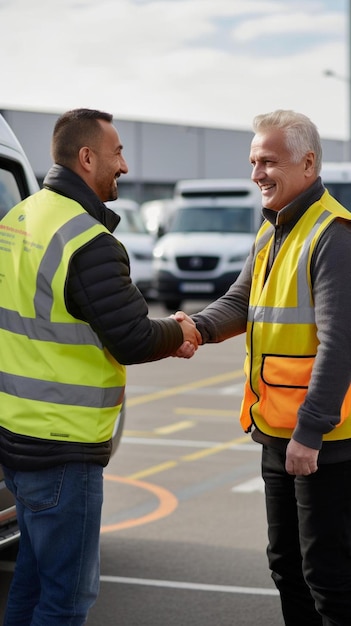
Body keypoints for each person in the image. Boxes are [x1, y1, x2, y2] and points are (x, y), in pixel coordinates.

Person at [0, 108, 201, 626]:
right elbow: (133, 335)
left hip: (14, 438)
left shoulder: (16, 219)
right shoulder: (87, 241)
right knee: (66, 600)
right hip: (63, 448)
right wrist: (181, 330)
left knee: (31, 581)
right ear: (86, 158)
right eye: (117, 154)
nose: (126, 166)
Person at [175, 109, 351, 626]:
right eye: (253, 162)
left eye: (268, 161)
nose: (257, 174)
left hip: (322, 443)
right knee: (286, 568)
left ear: (308, 162)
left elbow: (340, 343)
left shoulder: (332, 235)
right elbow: (239, 301)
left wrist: (311, 433)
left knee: (328, 577)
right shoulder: (273, 228)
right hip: (275, 429)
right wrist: (191, 329)